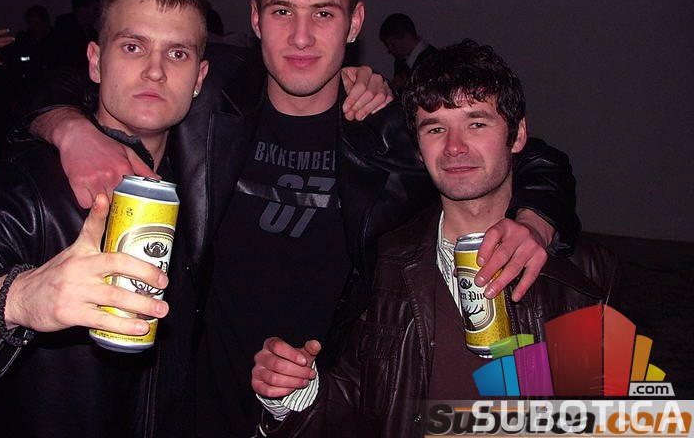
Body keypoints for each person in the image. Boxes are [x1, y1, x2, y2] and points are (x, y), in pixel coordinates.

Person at [27, 0, 580, 437]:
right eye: (282, 11)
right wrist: (69, 127)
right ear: (254, 18)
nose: (300, 37)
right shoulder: (207, 99)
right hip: (196, 404)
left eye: (323, 14)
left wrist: (536, 220)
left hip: (325, 406)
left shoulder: (389, 132)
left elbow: (524, 154)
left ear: (355, 23)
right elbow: (62, 83)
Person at [0, 0, 211, 437]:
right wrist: (18, 298)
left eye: (177, 53)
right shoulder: (35, 185)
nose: (155, 70)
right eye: (133, 47)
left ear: (200, 77)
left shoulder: (205, 177)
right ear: (96, 62)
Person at [251, 40, 618, 438]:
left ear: (517, 136)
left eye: (476, 124)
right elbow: (360, 401)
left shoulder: (585, 273)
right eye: (436, 128)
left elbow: (604, 417)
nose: (454, 146)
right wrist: (294, 390)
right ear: (418, 146)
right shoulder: (389, 264)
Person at [378, 12, 436, 94]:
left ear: (407, 37)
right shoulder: (400, 61)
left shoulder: (432, 60)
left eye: (393, 44)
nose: (389, 49)